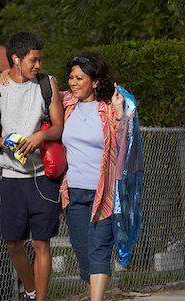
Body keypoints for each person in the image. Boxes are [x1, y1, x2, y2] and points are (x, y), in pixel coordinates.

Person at [0, 31, 64, 301]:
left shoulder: (47, 84)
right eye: (33, 60)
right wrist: (4, 143)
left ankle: (39, 299)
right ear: (16, 60)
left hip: (42, 177)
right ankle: (30, 291)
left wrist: (39, 136)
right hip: (11, 177)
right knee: (13, 242)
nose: (38, 65)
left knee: (42, 243)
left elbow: (57, 127)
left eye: (40, 60)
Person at [59, 51, 129, 301]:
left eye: (80, 78)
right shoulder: (66, 105)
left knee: (99, 250)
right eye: (71, 77)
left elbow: (125, 143)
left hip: (104, 194)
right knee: (84, 254)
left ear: (96, 81)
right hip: (75, 193)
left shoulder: (110, 108)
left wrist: (120, 114)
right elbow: (40, 91)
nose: (73, 83)